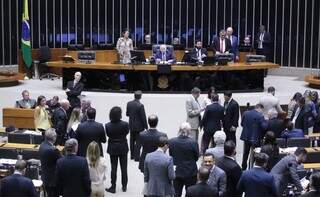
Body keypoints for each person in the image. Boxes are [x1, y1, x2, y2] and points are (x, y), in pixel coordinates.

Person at [169, 122, 199, 197]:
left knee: (176, 193)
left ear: (179, 130)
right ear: (189, 131)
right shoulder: (193, 142)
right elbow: (196, 157)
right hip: (190, 172)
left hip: (177, 171)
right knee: (190, 193)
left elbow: (171, 154)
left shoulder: (172, 141)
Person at [105, 106, 129, 193]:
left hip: (113, 147)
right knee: (124, 168)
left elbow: (108, 135)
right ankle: (124, 186)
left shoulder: (107, 125)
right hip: (123, 146)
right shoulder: (125, 124)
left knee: (113, 168)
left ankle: (113, 186)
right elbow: (126, 133)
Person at [240, 103, 268, 170]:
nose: (262, 112)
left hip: (246, 137)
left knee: (245, 153)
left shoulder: (245, 113)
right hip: (255, 138)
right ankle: (253, 168)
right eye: (262, 110)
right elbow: (264, 127)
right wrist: (266, 121)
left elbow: (242, 124)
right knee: (256, 154)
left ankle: (243, 167)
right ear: (259, 108)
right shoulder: (260, 116)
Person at [39, 128, 62, 197]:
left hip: (45, 177)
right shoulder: (53, 150)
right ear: (54, 138)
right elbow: (62, 161)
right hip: (53, 181)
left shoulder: (42, 145)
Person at [126, 90, 148, 161]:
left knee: (132, 141)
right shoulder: (140, 106)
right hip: (139, 127)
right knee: (138, 142)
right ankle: (137, 157)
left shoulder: (129, 103)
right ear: (140, 97)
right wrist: (146, 127)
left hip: (131, 125)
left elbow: (127, 114)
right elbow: (143, 117)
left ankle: (132, 156)